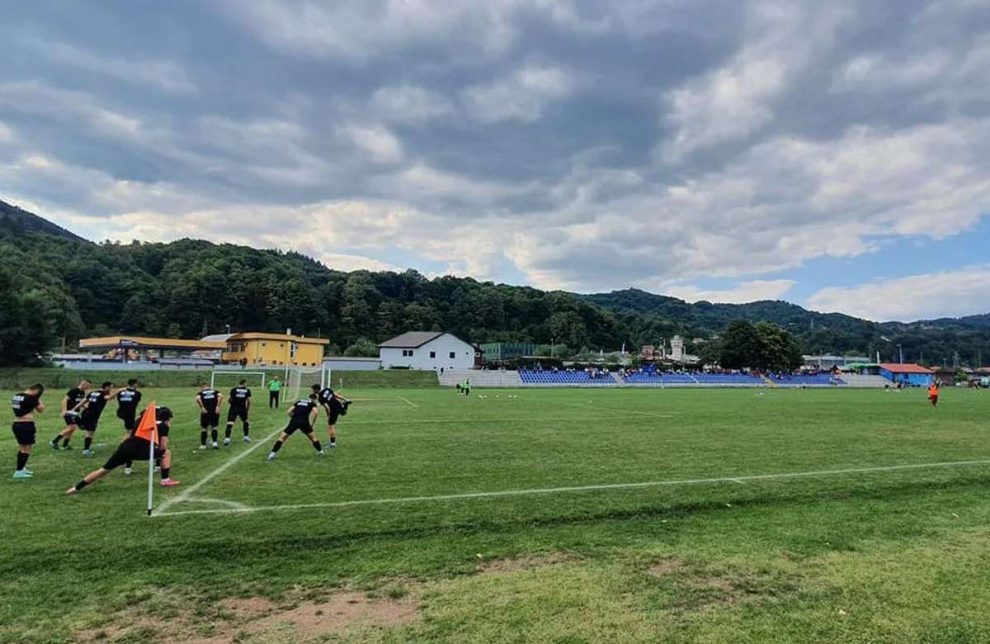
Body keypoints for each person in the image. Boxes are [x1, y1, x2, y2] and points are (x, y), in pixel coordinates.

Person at [66, 406, 179, 494]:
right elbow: (163, 446)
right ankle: (165, 480)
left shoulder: (140, 421)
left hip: (125, 447)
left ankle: (76, 488)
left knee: (103, 470)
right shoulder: (163, 426)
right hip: (138, 450)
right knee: (166, 453)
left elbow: (131, 433)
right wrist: (158, 448)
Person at [266, 393, 324, 460]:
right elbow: (316, 412)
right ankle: (321, 451)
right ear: (315, 399)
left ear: (309, 397)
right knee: (313, 437)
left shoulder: (299, 401)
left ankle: (272, 454)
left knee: (282, 438)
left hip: (294, 422)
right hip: (304, 422)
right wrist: (313, 424)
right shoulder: (312, 404)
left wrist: (293, 417)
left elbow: (288, 411)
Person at [11, 384, 45, 479]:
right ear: (37, 391)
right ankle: (18, 471)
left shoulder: (17, 395)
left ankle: (21, 468)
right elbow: (41, 409)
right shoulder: (31, 398)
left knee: (22, 448)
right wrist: (38, 399)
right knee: (27, 448)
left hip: (16, 424)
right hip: (26, 424)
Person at [77, 382, 117, 457]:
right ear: (107, 387)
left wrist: (74, 409)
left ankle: (79, 421)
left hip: (85, 413)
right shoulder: (103, 394)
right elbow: (110, 397)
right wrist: (119, 391)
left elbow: (82, 401)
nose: (112, 390)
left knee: (87, 430)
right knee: (90, 433)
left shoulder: (93, 393)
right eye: (111, 388)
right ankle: (86, 450)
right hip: (93, 416)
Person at [50, 379, 91, 450]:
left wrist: (88, 408)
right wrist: (64, 411)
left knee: (72, 428)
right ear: (83, 384)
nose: (88, 388)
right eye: (87, 386)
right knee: (71, 427)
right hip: (69, 412)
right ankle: (54, 441)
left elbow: (80, 403)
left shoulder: (82, 392)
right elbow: (64, 400)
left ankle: (65, 445)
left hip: (75, 413)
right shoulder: (73, 391)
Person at [312, 384, 351, 450]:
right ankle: (345, 404)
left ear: (317, 389)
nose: (313, 391)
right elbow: (336, 395)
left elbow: (327, 407)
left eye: (313, 390)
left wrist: (328, 416)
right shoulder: (327, 389)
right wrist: (345, 399)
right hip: (338, 404)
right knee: (344, 413)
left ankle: (332, 444)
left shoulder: (320, 398)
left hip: (333, 410)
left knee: (331, 426)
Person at [195, 383, 224, 449]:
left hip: (205, 411)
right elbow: (221, 396)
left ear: (202, 387)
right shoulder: (215, 391)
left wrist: (202, 407)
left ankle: (203, 445)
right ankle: (214, 443)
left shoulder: (201, 393)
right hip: (214, 411)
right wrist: (218, 406)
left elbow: (197, 399)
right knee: (214, 427)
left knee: (204, 428)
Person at [225, 379, 252, 445]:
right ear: (244, 383)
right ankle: (246, 437)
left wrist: (233, 403)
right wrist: (247, 409)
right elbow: (249, 401)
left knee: (230, 422)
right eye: (246, 383)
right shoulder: (247, 390)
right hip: (242, 408)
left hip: (233, 408)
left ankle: (227, 439)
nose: (247, 384)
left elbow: (229, 400)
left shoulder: (233, 389)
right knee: (245, 421)